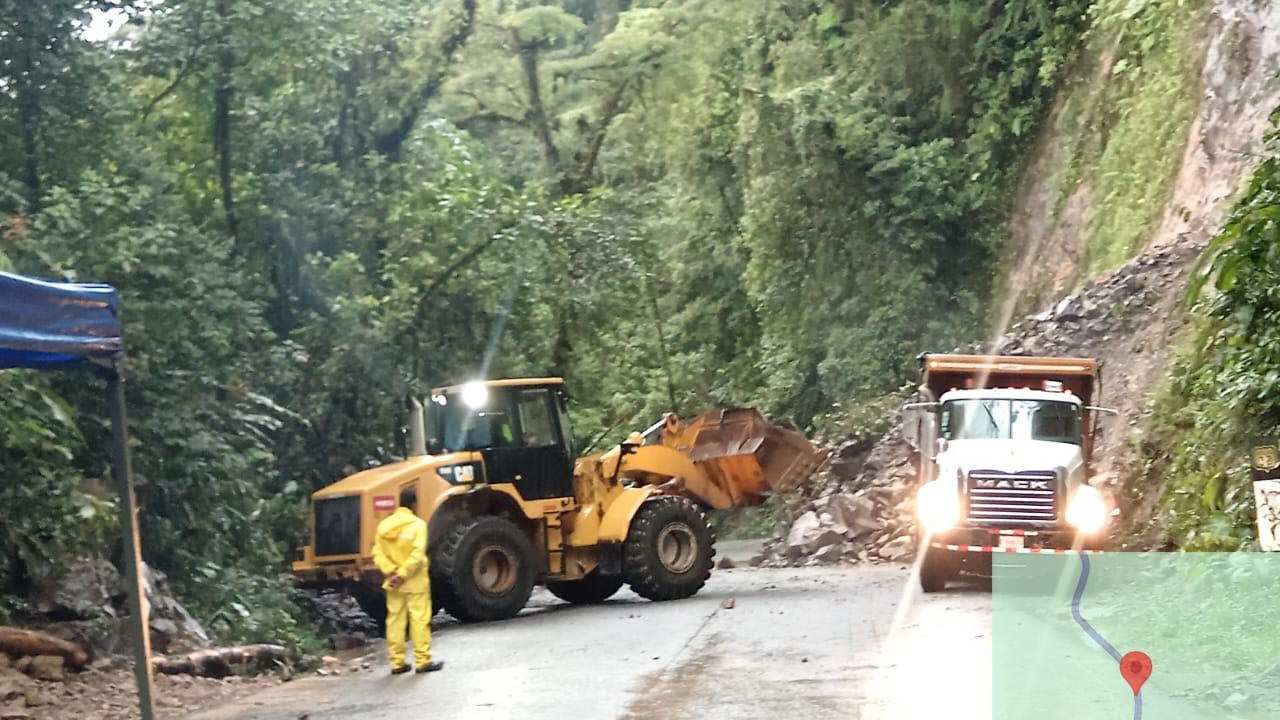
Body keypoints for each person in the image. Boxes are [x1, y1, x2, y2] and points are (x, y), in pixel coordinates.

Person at [371, 488, 443, 675]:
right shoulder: (418, 525)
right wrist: (403, 573)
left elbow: (377, 553)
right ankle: (423, 661)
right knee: (419, 620)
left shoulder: (384, 526)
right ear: (414, 504)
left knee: (395, 621)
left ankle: (397, 663)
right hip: (415, 582)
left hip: (394, 584)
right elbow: (417, 554)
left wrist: (391, 572)